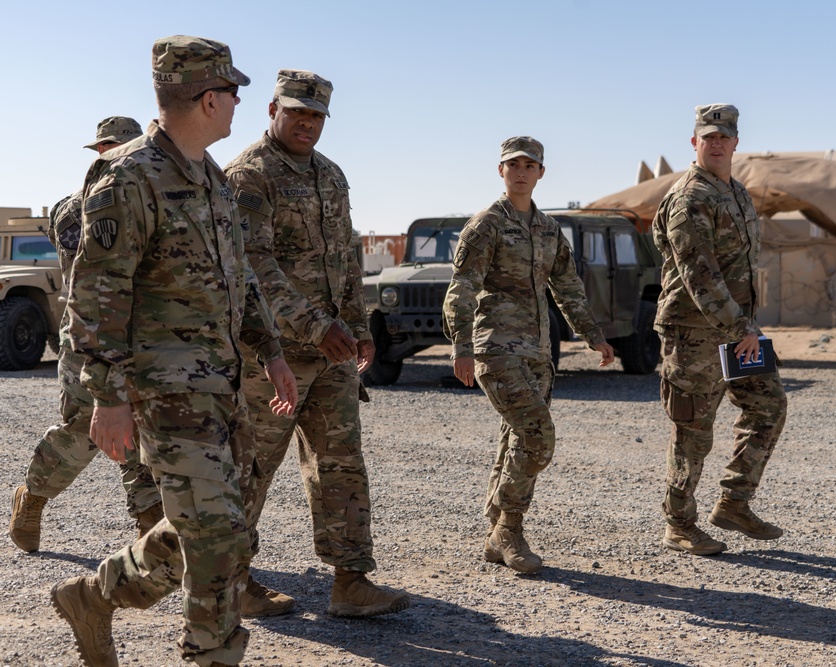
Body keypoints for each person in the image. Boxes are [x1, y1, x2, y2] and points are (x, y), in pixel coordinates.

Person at [50, 35, 297, 667]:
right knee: (217, 539)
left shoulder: (211, 177)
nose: (240, 103)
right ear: (210, 100)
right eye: (234, 92)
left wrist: (270, 352)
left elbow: (236, 277)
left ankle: (94, 596)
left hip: (222, 384)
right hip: (163, 391)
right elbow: (95, 294)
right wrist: (107, 397)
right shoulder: (126, 176)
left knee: (223, 529)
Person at [225, 69, 409, 618]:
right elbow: (252, 266)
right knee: (250, 467)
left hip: (332, 352)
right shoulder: (249, 176)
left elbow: (344, 261)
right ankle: (231, 580)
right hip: (272, 351)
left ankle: (350, 581)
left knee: (342, 463)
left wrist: (356, 326)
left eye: (316, 116)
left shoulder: (331, 175)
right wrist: (312, 325)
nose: (306, 123)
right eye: (297, 112)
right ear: (272, 110)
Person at [443, 136, 615, 574]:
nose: (521, 171)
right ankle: (510, 529)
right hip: (495, 347)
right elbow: (461, 287)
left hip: (537, 349)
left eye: (529, 165)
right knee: (538, 436)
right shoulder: (487, 224)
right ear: (500, 171)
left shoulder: (548, 228)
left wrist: (593, 335)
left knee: (515, 438)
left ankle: (496, 533)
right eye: (512, 164)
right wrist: (461, 347)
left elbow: (568, 286)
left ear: (541, 173)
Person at [9, 116, 164, 554]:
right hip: (89, 338)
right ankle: (33, 495)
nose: (112, 155)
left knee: (144, 432)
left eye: (121, 146)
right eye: (106, 148)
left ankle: (149, 526)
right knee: (84, 429)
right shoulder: (73, 208)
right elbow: (95, 275)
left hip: (144, 338)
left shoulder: (149, 200)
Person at [652, 104, 787, 557]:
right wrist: (739, 325)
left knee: (768, 405)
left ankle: (733, 502)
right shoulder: (690, 197)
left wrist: (744, 326)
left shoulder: (737, 193)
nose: (715, 143)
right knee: (693, 430)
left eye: (723, 137)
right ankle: (679, 523)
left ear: (735, 143)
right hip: (694, 331)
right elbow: (699, 275)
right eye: (706, 137)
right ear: (694, 143)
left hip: (738, 330)